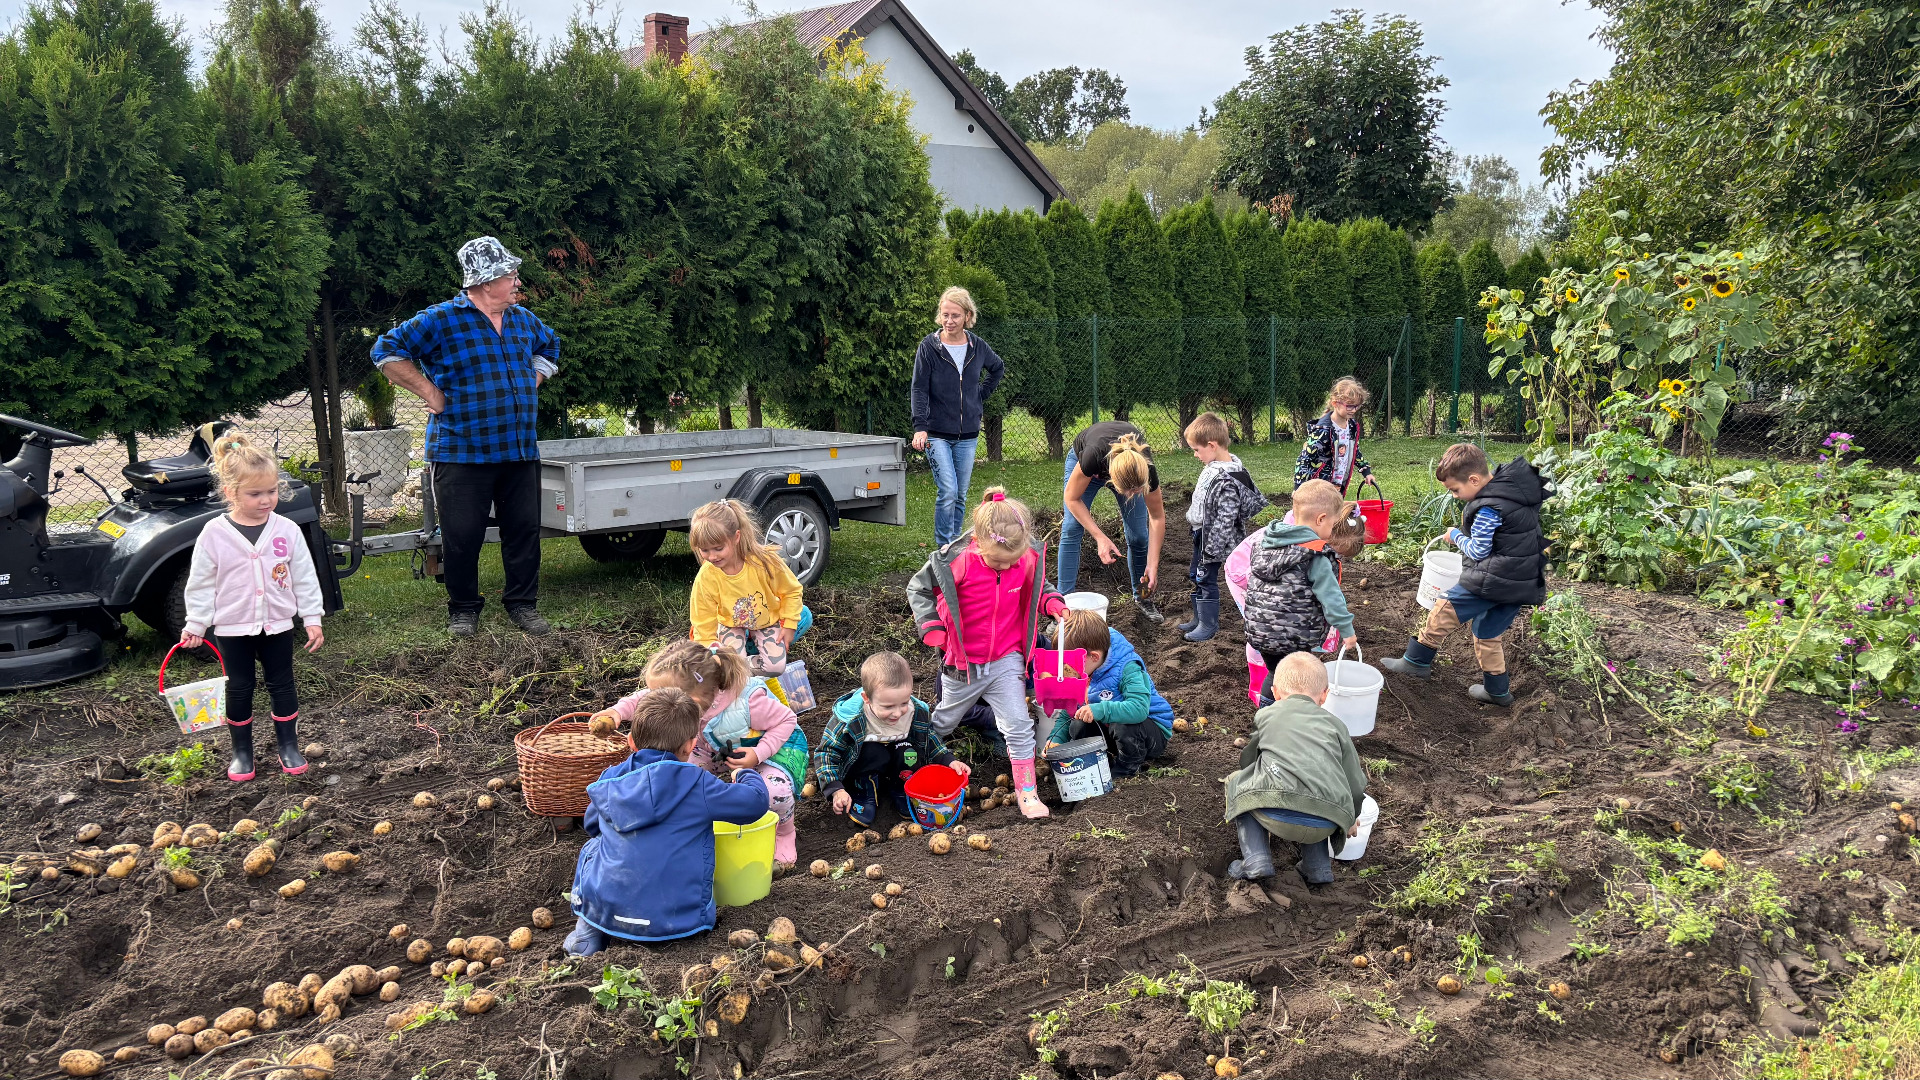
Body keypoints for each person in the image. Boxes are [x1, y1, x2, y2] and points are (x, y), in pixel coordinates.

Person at [373, 236, 559, 640]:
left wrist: (534, 378)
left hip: (519, 449)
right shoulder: (441, 320)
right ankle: (463, 609)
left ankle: (523, 605)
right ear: (486, 281)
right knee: (462, 536)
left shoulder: (524, 321)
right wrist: (430, 393)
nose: (517, 282)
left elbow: (550, 346)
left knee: (523, 532)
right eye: (510, 275)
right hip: (460, 451)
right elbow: (386, 351)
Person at [565, 687, 770, 955]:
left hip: (610, 912)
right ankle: (677, 930)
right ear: (690, 745)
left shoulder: (610, 779)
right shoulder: (697, 784)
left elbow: (592, 825)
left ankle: (588, 929)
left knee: (595, 847)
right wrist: (745, 774)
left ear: (631, 743)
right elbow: (755, 803)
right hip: (677, 921)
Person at [909, 488, 1067, 818]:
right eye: (999, 561)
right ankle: (916, 766)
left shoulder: (1022, 559)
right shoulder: (958, 562)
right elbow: (919, 588)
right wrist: (931, 625)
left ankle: (1027, 792)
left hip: (1006, 658)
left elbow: (1039, 585)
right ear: (979, 542)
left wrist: (1050, 601)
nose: (1007, 565)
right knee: (944, 720)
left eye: (1013, 560)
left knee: (1019, 724)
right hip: (964, 663)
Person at [178, 433, 326, 782]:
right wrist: (196, 624)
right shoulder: (214, 534)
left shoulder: (286, 530)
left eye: (272, 491)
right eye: (255, 494)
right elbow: (200, 583)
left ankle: (288, 746)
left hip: (277, 626)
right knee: (240, 687)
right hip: (233, 628)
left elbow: (304, 577)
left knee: (282, 683)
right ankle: (242, 752)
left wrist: (312, 618)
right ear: (230, 492)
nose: (266, 500)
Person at [591, 640, 806, 872]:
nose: (655, 697)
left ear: (689, 701)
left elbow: (787, 720)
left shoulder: (749, 702)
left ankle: (784, 832)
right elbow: (641, 700)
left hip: (769, 747)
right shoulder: (688, 695)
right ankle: (701, 823)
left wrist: (758, 753)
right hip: (713, 750)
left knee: (775, 793)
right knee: (682, 780)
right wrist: (616, 713)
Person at [1381, 445, 1551, 706]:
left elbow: (1479, 550)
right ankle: (1497, 691)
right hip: (1521, 582)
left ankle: (1416, 662)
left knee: (1445, 607)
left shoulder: (1488, 509)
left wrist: (1455, 536)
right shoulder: (1513, 494)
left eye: (1455, 490)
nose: (1455, 496)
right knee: (1487, 632)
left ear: (1474, 480)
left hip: (1494, 578)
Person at [1222, 654, 1369, 887]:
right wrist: (1352, 815)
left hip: (1275, 816)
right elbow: (1355, 779)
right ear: (1324, 694)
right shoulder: (1337, 725)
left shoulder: (1266, 715)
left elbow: (1249, 760)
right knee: (1318, 790)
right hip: (1325, 823)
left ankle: (1256, 859)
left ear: (1275, 692)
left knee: (1236, 781)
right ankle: (1317, 867)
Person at [816, 651, 971, 826]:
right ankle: (864, 790)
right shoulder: (850, 719)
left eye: (904, 703)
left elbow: (929, 738)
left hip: (896, 760)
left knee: (908, 751)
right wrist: (835, 789)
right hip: (863, 765)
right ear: (867, 698)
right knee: (873, 752)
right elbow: (826, 753)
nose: (897, 713)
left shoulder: (915, 712)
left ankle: (901, 787)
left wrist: (948, 760)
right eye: (888, 706)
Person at [1243, 480, 1360, 706]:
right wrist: (1347, 630)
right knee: (1298, 682)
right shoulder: (1315, 555)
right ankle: (1284, 718)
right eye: (1333, 524)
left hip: (1260, 632)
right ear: (1321, 519)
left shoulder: (1266, 543)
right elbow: (1332, 599)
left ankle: (1267, 712)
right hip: (1293, 637)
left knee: (1277, 672)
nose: (1331, 531)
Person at [910, 286, 1006, 548]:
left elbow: (997, 368)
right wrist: (920, 427)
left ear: (967, 316)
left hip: (968, 434)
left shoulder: (977, 346)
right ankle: (943, 548)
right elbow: (919, 388)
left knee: (961, 495)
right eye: (944, 315)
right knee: (948, 491)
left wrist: (978, 395)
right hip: (936, 433)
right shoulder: (929, 347)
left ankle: (954, 545)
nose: (949, 321)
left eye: (955, 315)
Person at [1042, 610, 1174, 779]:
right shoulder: (1082, 672)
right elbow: (1070, 710)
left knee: (1123, 725)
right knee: (1077, 724)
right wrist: (1057, 739)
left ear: (1094, 657)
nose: (1065, 670)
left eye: (1069, 664)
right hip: (1111, 731)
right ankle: (1101, 763)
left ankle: (1126, 770)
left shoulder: (1127, 667)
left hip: (1149, 732)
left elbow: (1139, 709)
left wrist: (1100, 709)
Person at [1058, 421, 1168, 622]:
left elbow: (1157, 517)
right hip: (1087, 459)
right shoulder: (1092, 458)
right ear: (1113, 481)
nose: (1132, 496)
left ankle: (1143, 598)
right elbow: (1071, 498)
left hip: (1126, 469)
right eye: (1129, 492)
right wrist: (1100, 537)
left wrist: (1153, 565)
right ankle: (1061, 605)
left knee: (1139, 537)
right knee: (1071, 528)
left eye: (1137, 491)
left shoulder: (1146, 470)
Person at [688, 500, 810, 677]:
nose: (711, 556)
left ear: (736, 537)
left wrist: (790, 624)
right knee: (733, 669)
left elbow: (791, 591)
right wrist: (709, 647)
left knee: (776, 668)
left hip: (765, 619)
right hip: (730, 623)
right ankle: (739, 670)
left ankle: (740, 667)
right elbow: (702, 617)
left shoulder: (764, 561)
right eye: (704, 550)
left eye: (718, 548)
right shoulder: (707, 575)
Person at [1178, 412, 1267, 642]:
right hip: (1202, 533)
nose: (1195, 455)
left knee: (1206, 577)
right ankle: (1198, 618)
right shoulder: (1215, 466)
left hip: (1215, 540)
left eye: (1197, 450)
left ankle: (1208, 625)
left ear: (1212, 445)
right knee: (1196, 574)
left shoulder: (1227, 478)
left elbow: (1225, 518)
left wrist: (1212, 549)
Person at [1293, 377, 1376, 496]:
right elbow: (1305, 459)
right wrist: (1298, 487)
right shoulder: (1323, 430)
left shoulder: (1352, 426)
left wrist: (1366, 472)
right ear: (1335, 403)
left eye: (1357, 406)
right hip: (1319, 486)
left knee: (1334, 512)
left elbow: (1354, 451)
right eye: (1349, 406)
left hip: (1339, 484)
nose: (1353, 410)